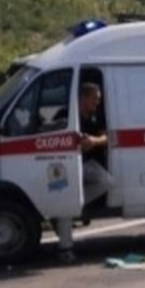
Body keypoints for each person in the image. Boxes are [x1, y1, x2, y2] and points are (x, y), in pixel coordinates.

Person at [54, 82, 115, 263]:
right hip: (66, 163)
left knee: (106, 182)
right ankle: (65, 248)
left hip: (88, 163)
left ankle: (75, 207)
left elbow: (106, 137)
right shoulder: (65, 114)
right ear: (83, 97)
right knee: (65, 200)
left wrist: (93, 141)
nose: (97, 103)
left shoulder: (97, 116)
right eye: (94, 99)